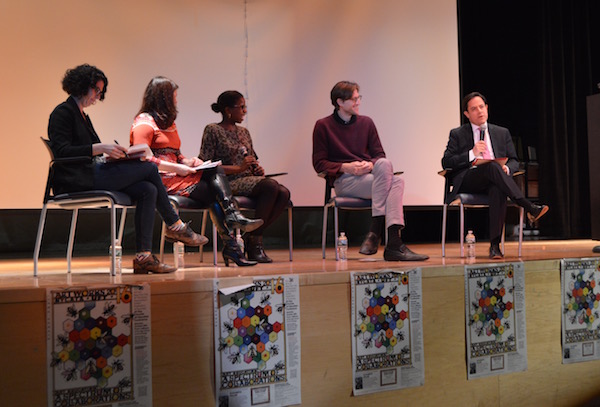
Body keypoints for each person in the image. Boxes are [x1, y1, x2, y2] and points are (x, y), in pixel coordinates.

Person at [48, 64, 206, 274]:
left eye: (100, 92)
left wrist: (113, 154)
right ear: (82, 86)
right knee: (149, 169)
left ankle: (143, 257)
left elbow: (92, 151)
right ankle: (175, 225)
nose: (98, 96)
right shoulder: (62, 112)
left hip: (89, 173)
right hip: (74, 179)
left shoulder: (83, 115)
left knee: (147, 190)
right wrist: (100, 148)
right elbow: (62, 152)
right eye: (96, 90)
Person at [130, 77, 263, 267]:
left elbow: (176, 153)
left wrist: (189, 161)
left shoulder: (168, 123)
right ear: (163, 98)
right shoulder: (145, 122)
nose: (176, 101)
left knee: (213, 169)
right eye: (173, 97)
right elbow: (142, 159)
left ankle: (232, 238)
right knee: (213, 194)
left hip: (178, 174)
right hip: (160, 179)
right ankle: (232, 240)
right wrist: (178, 167)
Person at [312, 81, 428, 261]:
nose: (358, 102)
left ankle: (376, 233)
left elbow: (379, 155)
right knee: (396, 182)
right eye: (354, 99)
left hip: (369, 178)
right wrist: (345, 167)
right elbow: (319, 163)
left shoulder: (366, 123)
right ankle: (392, 242)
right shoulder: (323, 125)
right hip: (345, 181)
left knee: (384, 164)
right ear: (340, 102)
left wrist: (370, 164)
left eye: (359, 98)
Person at [442, 91, 549, 259]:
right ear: (467, 114)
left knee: (497, 186)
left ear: (487, 108)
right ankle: (528, 206)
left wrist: (506, 169)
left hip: (496, 178)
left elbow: (514, 161)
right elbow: (446, 161)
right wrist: (472, 153)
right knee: (492, 167)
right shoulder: (457, 134)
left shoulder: (501, 132)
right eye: (474, 109)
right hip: (470, 179)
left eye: (482, 107)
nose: (479, 111)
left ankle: (494, 246)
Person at [199, 91, 291, 263]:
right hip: (227, 182)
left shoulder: (244, 132)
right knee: (271, 186)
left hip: (248, 179)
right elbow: (206, 165)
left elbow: (252, 158)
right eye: (241, 107)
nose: (244, 111)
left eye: (245, 107)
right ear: (228, 110)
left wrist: (256, 169)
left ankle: (252, 237)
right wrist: (238, 168)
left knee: (284, 193)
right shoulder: (213, 130)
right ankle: (255, 245)